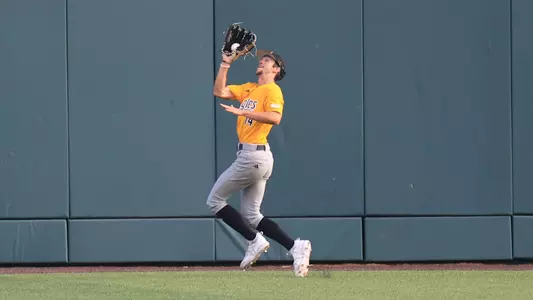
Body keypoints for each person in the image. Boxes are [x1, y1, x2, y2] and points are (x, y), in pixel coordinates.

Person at [207, 49, 312, 277]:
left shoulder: (272, 90)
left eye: (269, 60)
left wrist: (243, 111)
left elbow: (275, 118)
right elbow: (219, 91)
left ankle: (254, 241)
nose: (262, 60)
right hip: (256, 157)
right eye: (263, 58)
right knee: (252, 215)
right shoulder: (249, 88)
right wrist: (226, 64)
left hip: (253, 156)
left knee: (215, 200)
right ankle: (296, 246)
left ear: (276, 69)